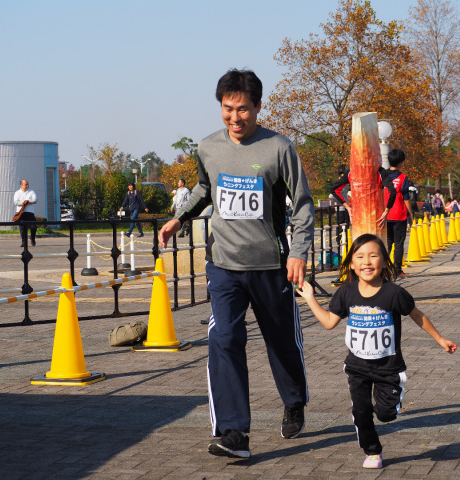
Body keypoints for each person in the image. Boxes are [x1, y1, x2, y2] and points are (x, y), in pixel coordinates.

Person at [158, 69, 314, 459]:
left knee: (281, 342)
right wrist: (179, 218)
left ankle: (294, 400)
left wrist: (298, 252)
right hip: (223, 264)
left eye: (243, 109)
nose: (235, 117)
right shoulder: (208, 147)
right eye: (228, 109)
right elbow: (204, 188)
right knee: (223, 338)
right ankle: (234, 433)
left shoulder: (279, 148)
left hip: (270, 265)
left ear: (258, 107)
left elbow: (302, 205)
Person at [296, 234, 457, 469]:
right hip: (357, 367)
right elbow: (329, 322)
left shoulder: (394, 293)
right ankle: (372, 452)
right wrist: (310, 298)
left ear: (383, 261)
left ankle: (388, 405)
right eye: (360, 257)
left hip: (388, 368)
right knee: (361, 412)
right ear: (352, 264)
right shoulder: (345, 293)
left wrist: (440, 339)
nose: (367, 262)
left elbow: (417, 315)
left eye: (373, 256)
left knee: (385, 414)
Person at [385, 149, 413, 278]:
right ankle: (397, 270)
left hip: (385, 215)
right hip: (399, 215)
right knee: (399, 243)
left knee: (387, 243)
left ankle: (383, 268)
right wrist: (410, 214)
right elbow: (406, 198)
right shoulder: (402, 178)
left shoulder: (382, 176)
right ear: (401, 162)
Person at [14, 179, 38, 247]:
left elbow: (35, 200)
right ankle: (24, 242)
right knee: (22, 228)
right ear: (21, 185)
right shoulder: (17, 193)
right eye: (26, 184)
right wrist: (24, 203)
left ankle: (32, 238)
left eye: (28, 184)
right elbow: (16, 202)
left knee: (33, 227)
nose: (27, 185)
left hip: (30, 212)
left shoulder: (31, 192)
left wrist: (28, 202)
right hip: (21, 213)